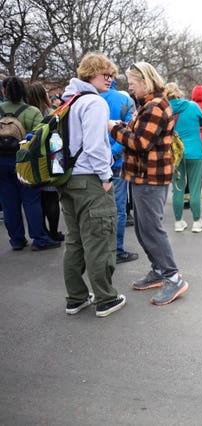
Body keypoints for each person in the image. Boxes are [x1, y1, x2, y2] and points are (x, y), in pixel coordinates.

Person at [109, 62, 188, 306]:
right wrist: (122, 127)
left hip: (151, 177)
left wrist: (113, 129)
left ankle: (173, 277)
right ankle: (158, 270)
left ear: (145, 81)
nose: (130, 89)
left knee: (152, 228)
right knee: (144, 229)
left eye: (133, 84)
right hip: (142, 176)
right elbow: (137, 133)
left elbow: (140, 142)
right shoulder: (148, 105)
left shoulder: (155, 105)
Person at [58, 52, 125, 317]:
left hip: (67, 179)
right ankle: (106, 298)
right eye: (105, 74)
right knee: (99, 239)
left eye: (111, 75)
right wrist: (106, 177)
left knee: (74, 241)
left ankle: (75, 297)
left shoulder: (68, 101)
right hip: (91, 180)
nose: (109, 79)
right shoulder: (94, 103)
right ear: (90, 74)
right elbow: (96, 146)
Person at [0, 76, 60, 251]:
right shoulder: (32, 111)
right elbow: (38, 138)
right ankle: (39, 238)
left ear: (4, 91)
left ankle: (17, 240)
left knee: (8, 202)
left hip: (1, 161)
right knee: (31, 200)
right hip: (23, 160)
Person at [100, 79, 138, 264]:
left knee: (97, 207)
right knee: (118, 207)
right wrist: (113, 153)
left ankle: (99, 249)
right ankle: (117, 249)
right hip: (117, 162)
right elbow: (130, 132)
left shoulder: (87, 99)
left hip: (94, 162)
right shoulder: (124, 101)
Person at [167, 82, 202, 233]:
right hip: (195, 153)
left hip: (176, 154)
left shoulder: (165, 110)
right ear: (179, 92)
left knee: (178, 188)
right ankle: (197, 222)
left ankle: (178, 222)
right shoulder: (192, 106)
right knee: (195, 188)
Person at [27, 81, 64, 242]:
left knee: (36, 200)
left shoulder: (27, 112)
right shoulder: (51, 112)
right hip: (49, 159)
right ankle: (54, 232)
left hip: (31, 161)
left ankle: (41, 232)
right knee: (51, 198)